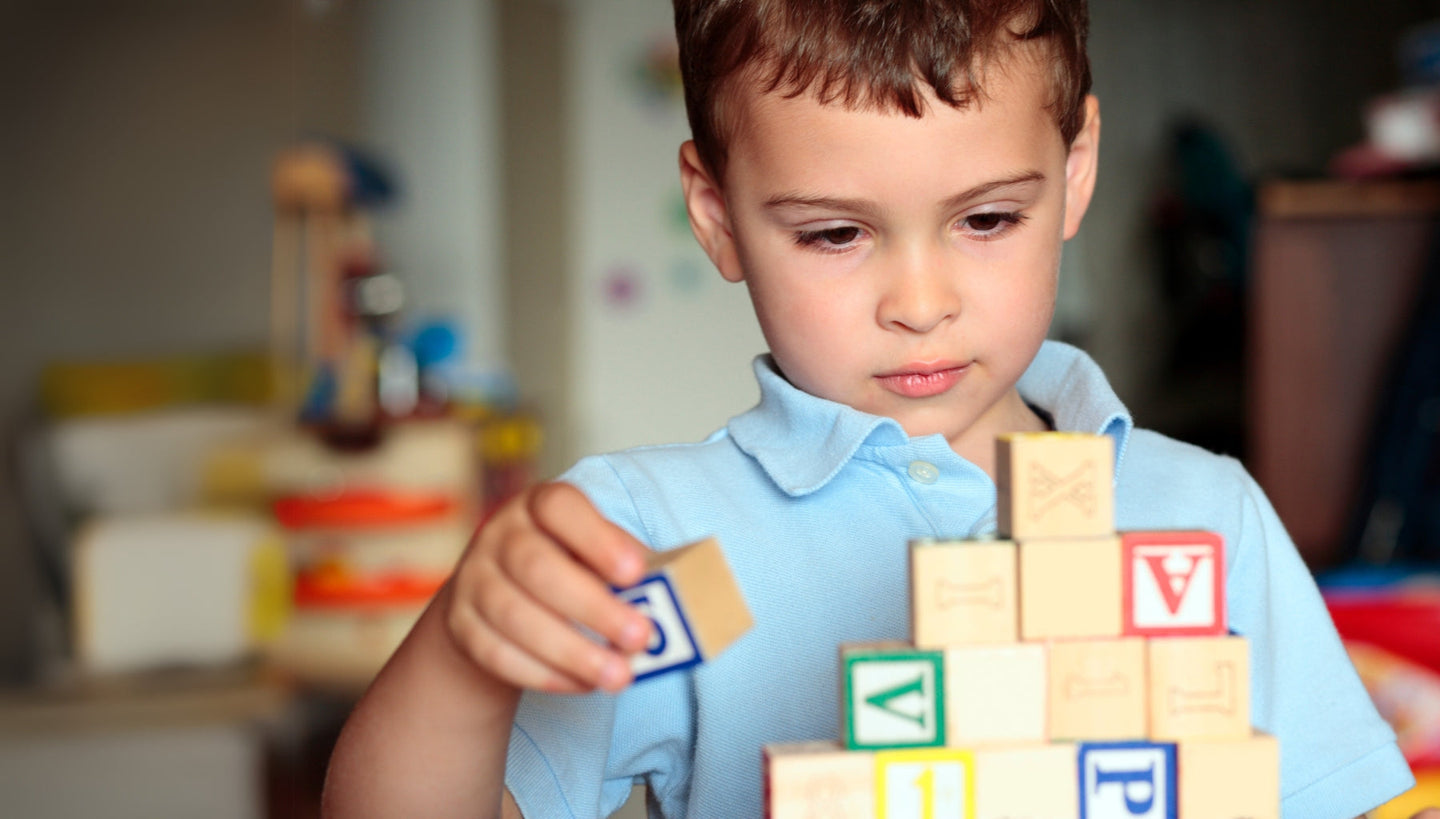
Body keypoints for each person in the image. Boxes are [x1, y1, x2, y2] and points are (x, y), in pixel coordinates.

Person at [322, 1, 1426, 816]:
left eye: (987, 220)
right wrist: (465, 654)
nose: (921, 303)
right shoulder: (648, 539)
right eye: (836, 234)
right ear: (716, 214)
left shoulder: (1207, 516)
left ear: (1076, 169)